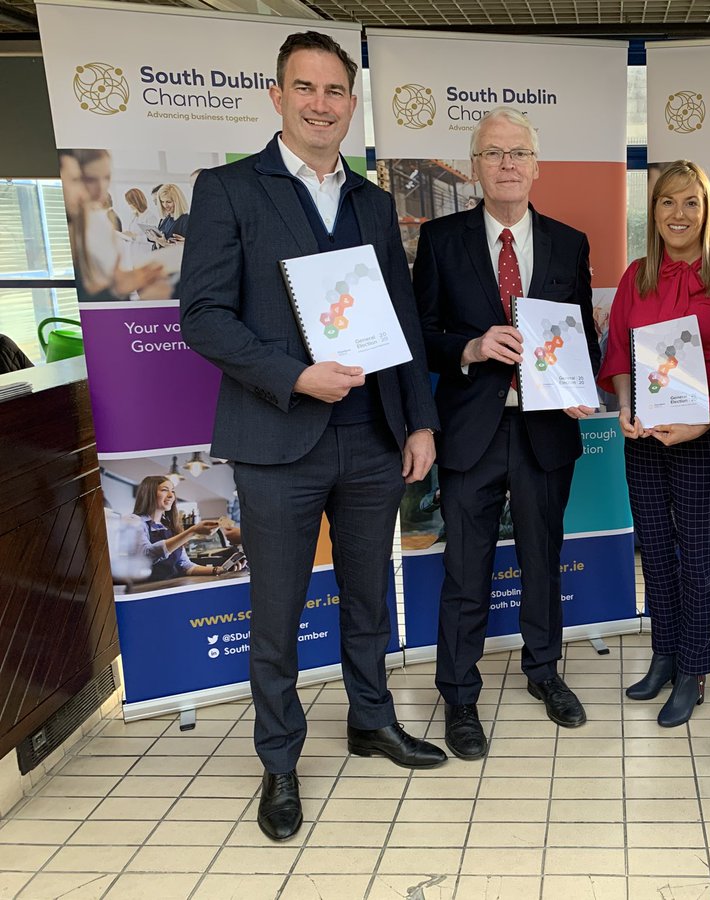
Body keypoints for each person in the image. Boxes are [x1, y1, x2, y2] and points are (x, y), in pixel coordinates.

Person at [179, 31, 446, 843]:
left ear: (351, 104)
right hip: (277, 439)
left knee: (368, 596)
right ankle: (279, 761)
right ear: (278, 95)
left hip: (371, 437)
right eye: (305, 87)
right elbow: (203, 317)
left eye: (335, 91)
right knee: (277, 611)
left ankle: (372, 720)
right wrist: (295, 376)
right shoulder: (228, 189)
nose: (320, 104)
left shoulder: (371, 201)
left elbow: (399, 319)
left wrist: (420, 419)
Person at [413, 107, 600, 761]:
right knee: (466, 569)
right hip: (472, 431)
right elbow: (420, 335)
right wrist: (469, 347)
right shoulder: (441, 240)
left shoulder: (569, 243)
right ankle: (459, 695)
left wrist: (581, 386)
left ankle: (544, 671)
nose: (507, 164)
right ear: (475, 167)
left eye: (518, 153)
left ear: (536, 165)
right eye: (493, 153)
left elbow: (582, 333)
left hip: (546, 431)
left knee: (542, 560)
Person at [597, 160, 710, 727]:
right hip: (645, 437)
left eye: (691, 202)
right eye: (668, 202)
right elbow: (618, 353)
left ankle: (693, 670)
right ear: (654, 211)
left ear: (708, 211)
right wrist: (624, 406)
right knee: (657, 553)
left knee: (699, 558)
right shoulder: (636, 276)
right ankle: (664, 654)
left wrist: (704, 421)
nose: (679, 214)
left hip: (707, 437)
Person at [61, 150, 168, 302]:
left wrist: (121, 286)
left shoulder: (99, 221)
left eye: (107, 178)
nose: (101, 188)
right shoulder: (76, 228)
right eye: (88, 180)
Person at [130, 476, 226, 581]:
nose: (171, 496)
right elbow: (146, 556)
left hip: (172, 586)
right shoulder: (134, 521)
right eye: (165, 490)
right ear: (149, 493)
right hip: (148, 588)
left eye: (172, 491)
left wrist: (218, 570)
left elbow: (185, 565)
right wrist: (192, 531)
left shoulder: (170, 526)